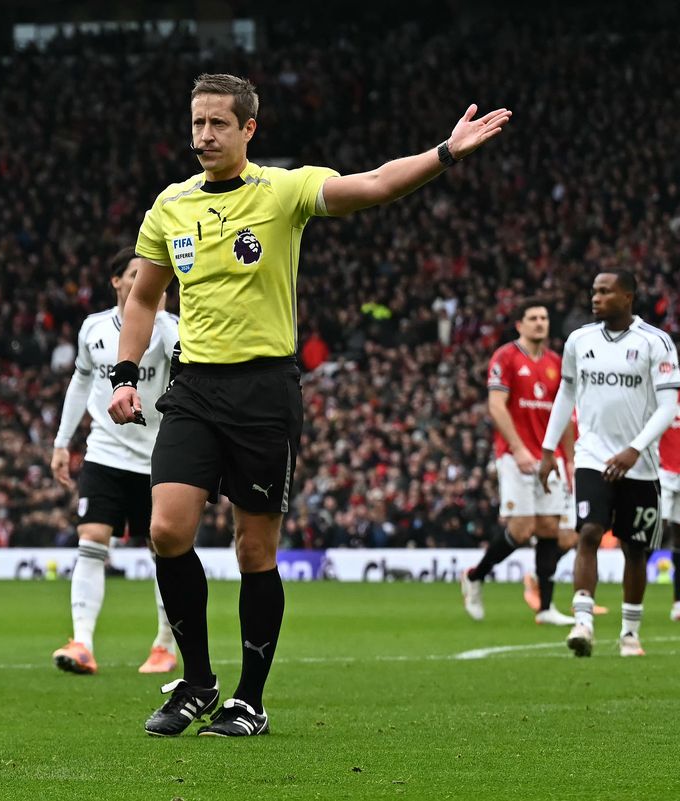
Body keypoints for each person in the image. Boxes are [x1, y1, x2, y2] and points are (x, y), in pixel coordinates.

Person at [108, 72, 511, 737]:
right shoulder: (169, 206)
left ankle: (249, 699)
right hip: (194, 388)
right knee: (166, 531)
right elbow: (144, 298)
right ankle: (197, 681)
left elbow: (376, 184)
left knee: (253, 551)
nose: (203, 134)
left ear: (248, 130)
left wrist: (445, 151)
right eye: (197, 122)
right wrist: (125, 373)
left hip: (264, 391)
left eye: (217, 123)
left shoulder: (284, 190)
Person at [49, 246, 180, 676]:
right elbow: (79, 384)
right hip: (105, 451)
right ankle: (82, 642)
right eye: (138, 273)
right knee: (91, 537)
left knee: (163, 547)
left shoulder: (169, 331)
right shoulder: (94, 329)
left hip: (157, 455)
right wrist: (62, 442)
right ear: (117, 281)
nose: (149, 282)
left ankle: (164, 644)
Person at [539, 271, 679, 657]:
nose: (596, 297)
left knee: (636, 549)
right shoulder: (579, 341)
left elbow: (668, 407)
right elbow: (566, 393)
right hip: (592, 456)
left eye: (605, 291)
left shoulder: (656, 342)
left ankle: (629, 633)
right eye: (594, 290)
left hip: (642, 463)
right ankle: (583, 621)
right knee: (589, 532)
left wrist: (634, 449)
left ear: (628, 296)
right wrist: (548, 449)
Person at [461, 299, 575, 626]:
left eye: (544, 317)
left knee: (551, 527)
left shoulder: (556, 362)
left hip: (549, 457)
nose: (540, 323)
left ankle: (546, 609)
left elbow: (564, 415)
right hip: (516, 456)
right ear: (519, 324)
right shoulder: (505, 357)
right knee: (523, 529)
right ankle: (474, 575)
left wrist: (569, 459)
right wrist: (518, 448)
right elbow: (496, 406)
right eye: (533, 318)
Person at [661, 411, 680, 620]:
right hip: (662, 469)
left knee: (679, 536)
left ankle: (678, 602)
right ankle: (629, 595)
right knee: (655, 531)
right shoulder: (663, 384)